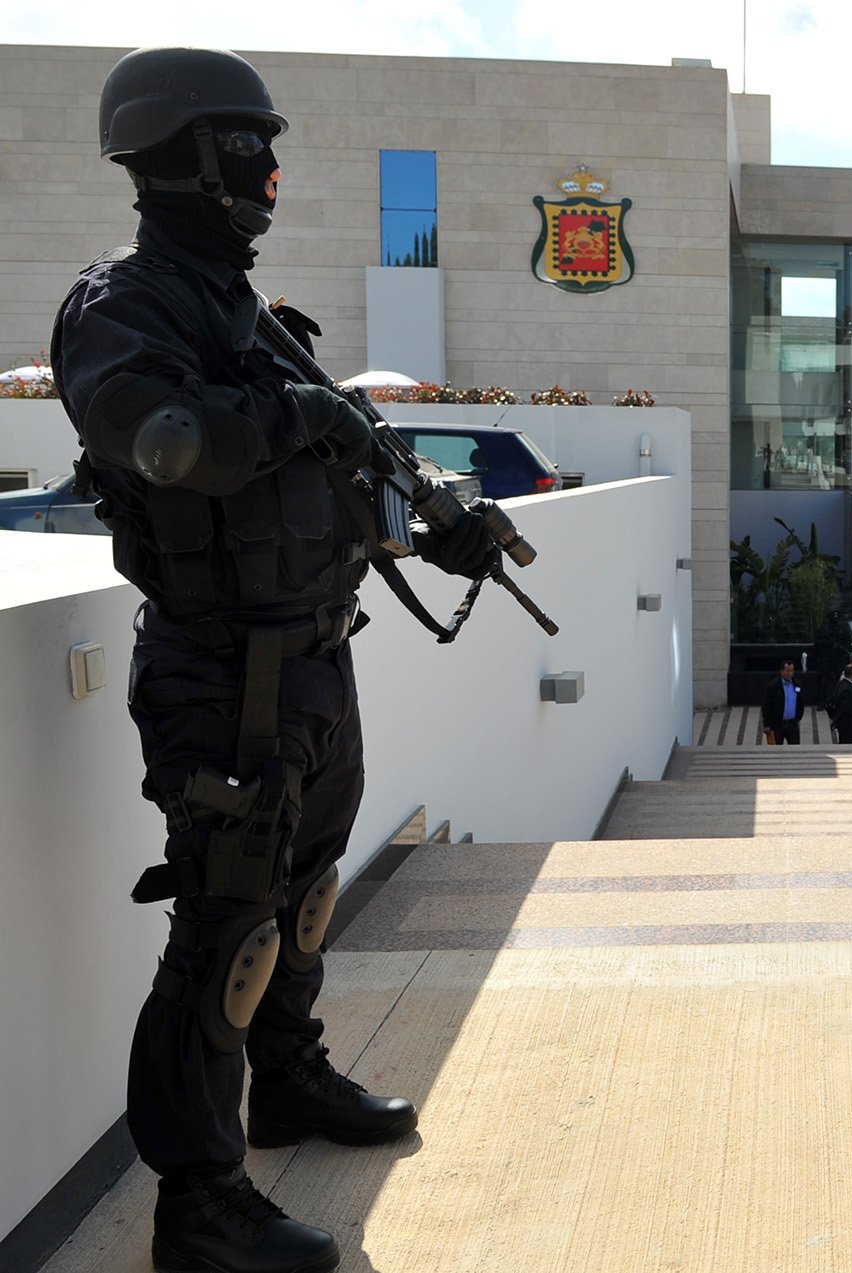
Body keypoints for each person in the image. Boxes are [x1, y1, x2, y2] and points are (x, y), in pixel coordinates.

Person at [51, 47, 497, 1273]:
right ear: (187, 157)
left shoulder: (260, 320)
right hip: (218, 669)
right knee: (225, 929)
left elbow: (355, 459)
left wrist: (445, 517)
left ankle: (287, 1083)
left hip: (310, 655)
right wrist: (308, 412)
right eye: (251, 152)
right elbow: (170, 443)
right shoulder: (122, 307)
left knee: (301, 900)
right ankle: (198, 1206)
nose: (271, 177)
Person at [760, 659, 804, 744]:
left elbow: (800, 701)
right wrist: (767, 725)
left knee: (795, 748)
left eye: (792, 671)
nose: (790, 673)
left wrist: (798, 716)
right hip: (778, 724)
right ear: (781, 671)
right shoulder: (772, 687)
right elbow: (766, 706)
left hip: (792, 724)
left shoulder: (797, 684)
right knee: (777, 748)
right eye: (787, 671)